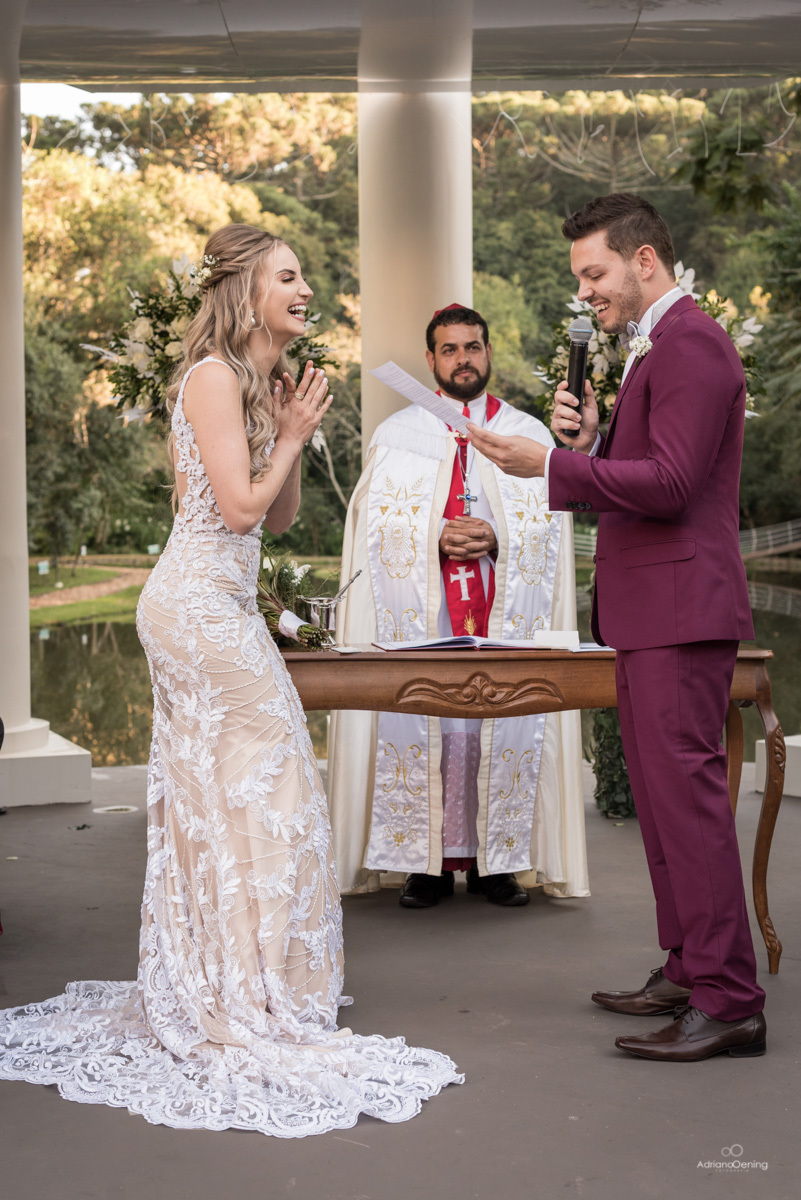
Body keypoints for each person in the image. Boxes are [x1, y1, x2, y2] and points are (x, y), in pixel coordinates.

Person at [0, 224, 462, 1133]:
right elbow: (238, 505)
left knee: (241, 791)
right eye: (288, 276)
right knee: (269, 778)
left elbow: (273, 517)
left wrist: (291, 428)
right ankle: (235, 989)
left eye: (305, 277)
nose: (305, 289)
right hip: (195, 609)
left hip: (223, 602)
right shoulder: (211, 377)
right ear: (247, 290)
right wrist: (282, 439)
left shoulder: (253, 385)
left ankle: (245, 977)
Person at [468, 193, 767, 1062]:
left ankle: (730, 1001)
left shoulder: (694, 346)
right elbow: (653, 469)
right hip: (649, 613)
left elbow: (672, 485)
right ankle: (687, 968)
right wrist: (594, 445)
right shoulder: (655, 349)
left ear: (643, 261)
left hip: (681, 614)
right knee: (662, 808)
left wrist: (552, 464)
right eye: (578, 279)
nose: (584, 292)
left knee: (690, 809)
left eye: (593, 274)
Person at [328, 304, 588, 909]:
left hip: (503, 610)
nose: (462, 359)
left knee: (497, 720)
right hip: (424, 614)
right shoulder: (398, 436)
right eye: (449, 349)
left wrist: (500, 537)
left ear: (488, 352)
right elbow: (370, 528)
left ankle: (498, 863)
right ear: (431, 360)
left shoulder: (527, 433)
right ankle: (427, 864)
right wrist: (430, 536)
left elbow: (553, 526)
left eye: (472, 347)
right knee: (432, 719)